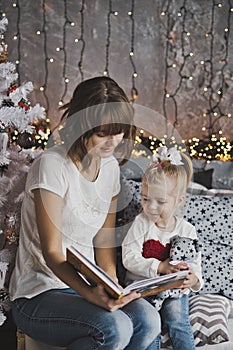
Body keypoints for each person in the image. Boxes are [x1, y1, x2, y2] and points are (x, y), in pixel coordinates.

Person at [9, 76, 161, 349]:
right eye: (102, 132)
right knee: (116, 327)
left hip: (81, 290)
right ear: (81, 125)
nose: (112, 141)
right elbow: (53, 253)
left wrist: (113, 288)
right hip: (37, 294)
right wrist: (91, 294)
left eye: (118, 131)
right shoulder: (52, 165)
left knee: (148, 319)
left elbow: (103, 245)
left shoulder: (111, 168)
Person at [122, 146, 204, 350]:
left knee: (176, 317)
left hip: (174, 290)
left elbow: (195, 266)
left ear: (179, 201)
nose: (151, 207)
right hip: (144, 290)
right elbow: (129, 257)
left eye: (160, 202)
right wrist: (160, 267)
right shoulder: (141, 223)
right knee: (150, 323)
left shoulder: (187, 230)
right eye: (145, 199)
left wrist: (194, 280)